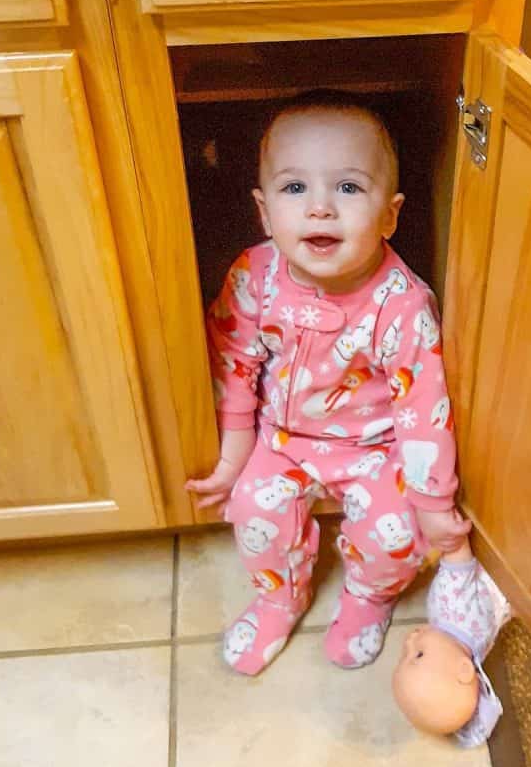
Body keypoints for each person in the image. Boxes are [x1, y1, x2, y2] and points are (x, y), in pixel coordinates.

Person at [185, 89, 471, 676]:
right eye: (295, 189)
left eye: (347, 188)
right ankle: (278, 598)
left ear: (389, 214)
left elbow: (424, 409)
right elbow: (233, 360)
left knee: (393, 536)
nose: (320, 209)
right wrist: (235, 459)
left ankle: (369, 598)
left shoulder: (402, 304)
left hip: (374, 448)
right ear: (265, 212)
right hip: (284, 438)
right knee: (253, 513)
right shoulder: (254, 276)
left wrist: (434, 503)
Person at [392, 539, 511, 748]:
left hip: (504, 558)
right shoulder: (452, 603)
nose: (409, 640)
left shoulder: (450, 609)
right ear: (465, 669)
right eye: (418, 654)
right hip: (507, 554)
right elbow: (456, 544)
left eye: (405, 654)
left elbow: (457, 555)